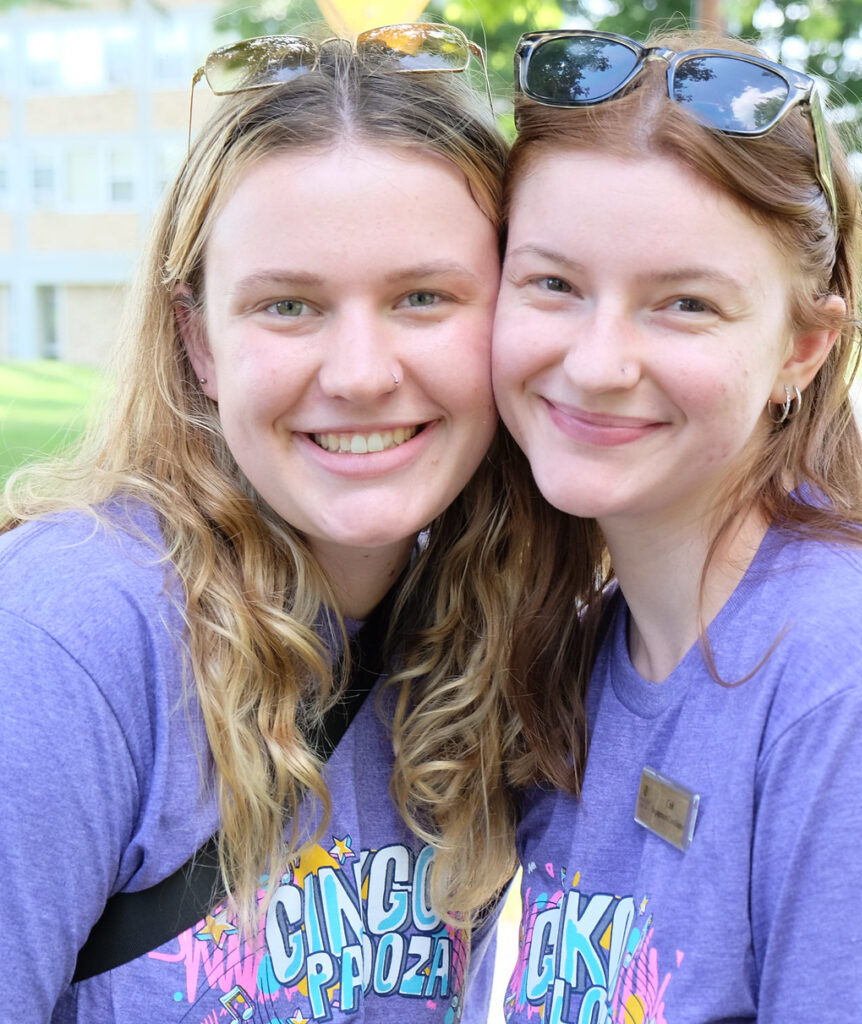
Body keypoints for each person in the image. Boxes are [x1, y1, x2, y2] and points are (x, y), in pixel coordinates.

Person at [492, 27, 862, 1023]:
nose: (599, 361)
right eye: (554, 284)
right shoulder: (593, 649)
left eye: (684, 303)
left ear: (802, 347)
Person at [0, 24, 524, 1021]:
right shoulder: (64, 635)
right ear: (201, 342)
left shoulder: (521, 636)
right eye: (288, 306)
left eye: (423, 297)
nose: (361, 372)